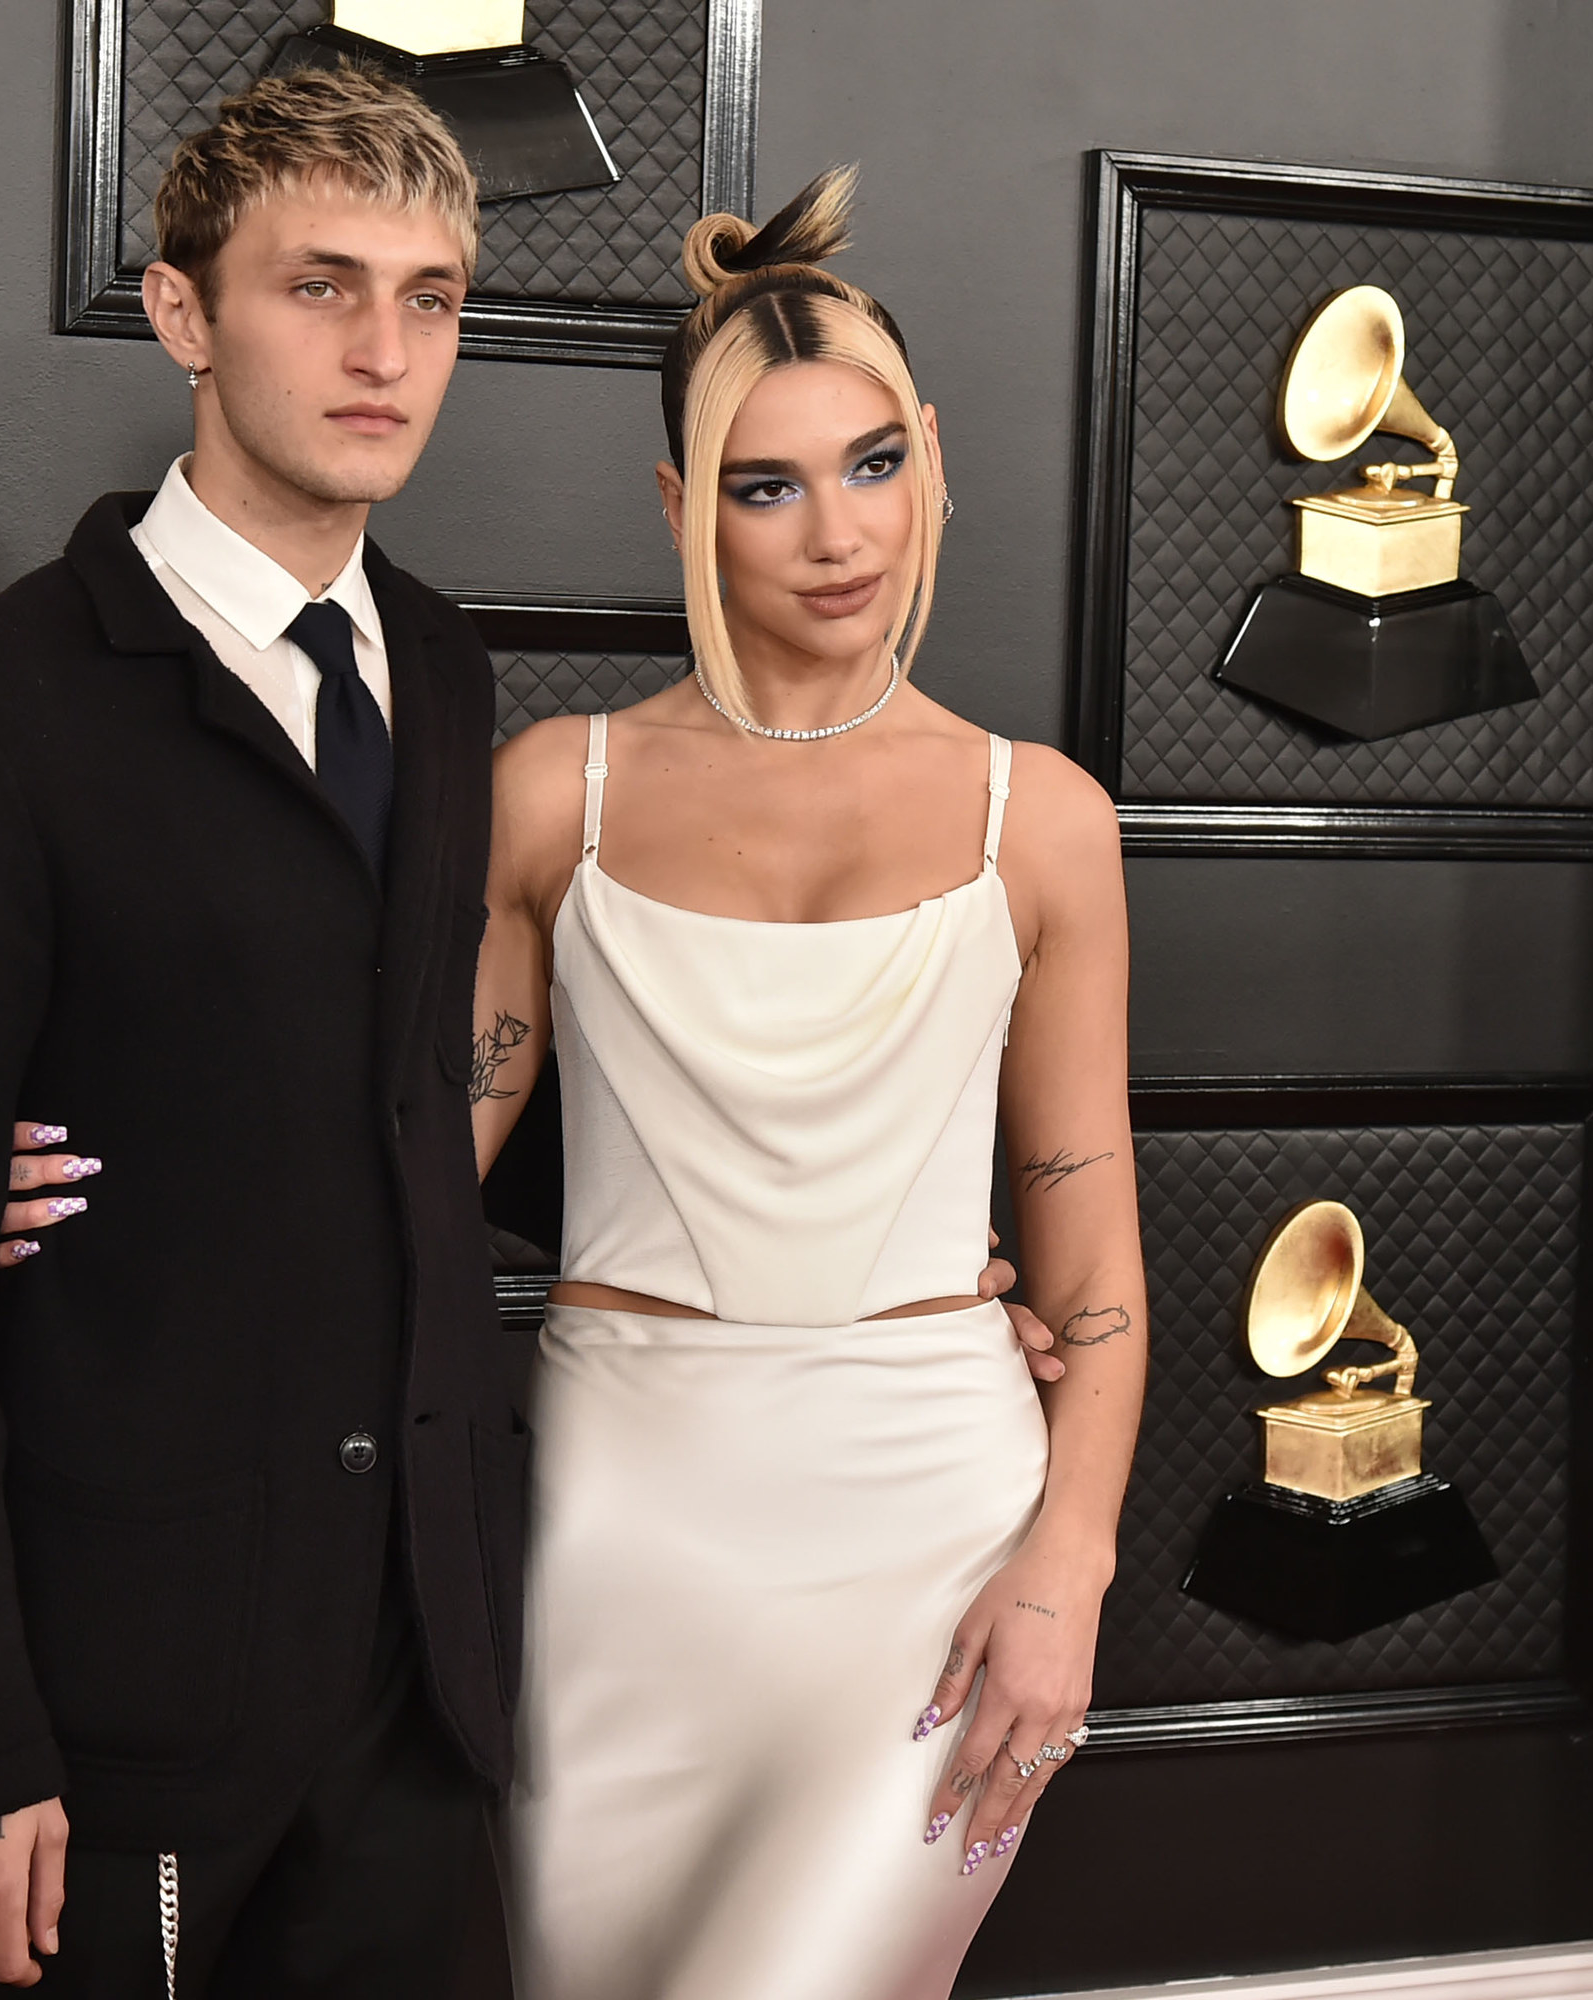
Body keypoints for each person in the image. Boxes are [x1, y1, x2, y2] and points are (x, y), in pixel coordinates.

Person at [0, 68, 517, 1995]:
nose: (386, 350)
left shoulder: (448, 670)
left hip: (415, 1673)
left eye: (432, 296)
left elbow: (408, 1107)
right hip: (118, 1683)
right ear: (182, 312)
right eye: (321, 286)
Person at [468, 168, 1150, 2000]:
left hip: (936, 1528)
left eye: (867, 464)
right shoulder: (559, 794)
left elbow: (1093, 1280)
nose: (833, 534)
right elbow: (393, 1162)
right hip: (630, 1522)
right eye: (765, 487)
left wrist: (1065, 1570)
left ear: (928, 451)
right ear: (685, 506)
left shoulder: (1045, 821)